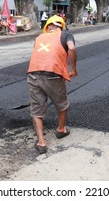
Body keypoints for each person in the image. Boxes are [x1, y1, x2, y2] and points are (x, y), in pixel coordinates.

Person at [27, 15, 78, 154]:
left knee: (36, 110)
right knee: (62, 104)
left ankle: (41, 143)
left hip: (33, 74)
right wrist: (73, 69)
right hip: (53, 75)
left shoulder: (39, 37)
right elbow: (72, 49)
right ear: (61, 26)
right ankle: (61, 130)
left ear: (48, 26)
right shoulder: (66, 34)